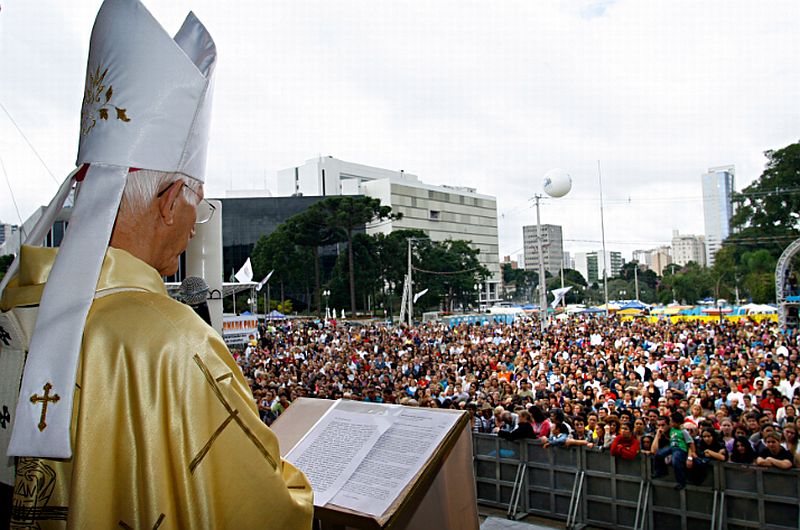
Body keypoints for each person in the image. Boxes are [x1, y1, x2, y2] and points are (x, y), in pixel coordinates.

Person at [0, 1, 313, 528]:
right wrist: (297, 488)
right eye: (197, 203)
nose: (195, 224)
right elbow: (265, 512)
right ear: (170, 201)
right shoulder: (176, 344)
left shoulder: (17, 303)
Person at [652, 412, 697, 490]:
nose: (670, 423)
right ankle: (660, 471)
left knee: (676, 461)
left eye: (672, 421)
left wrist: (692, 453)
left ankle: (681, 482)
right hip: (672, 447)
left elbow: (691, 443)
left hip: (680, 449)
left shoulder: (684, 432)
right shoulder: (672, 430)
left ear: (678, 422)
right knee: (659, 454)